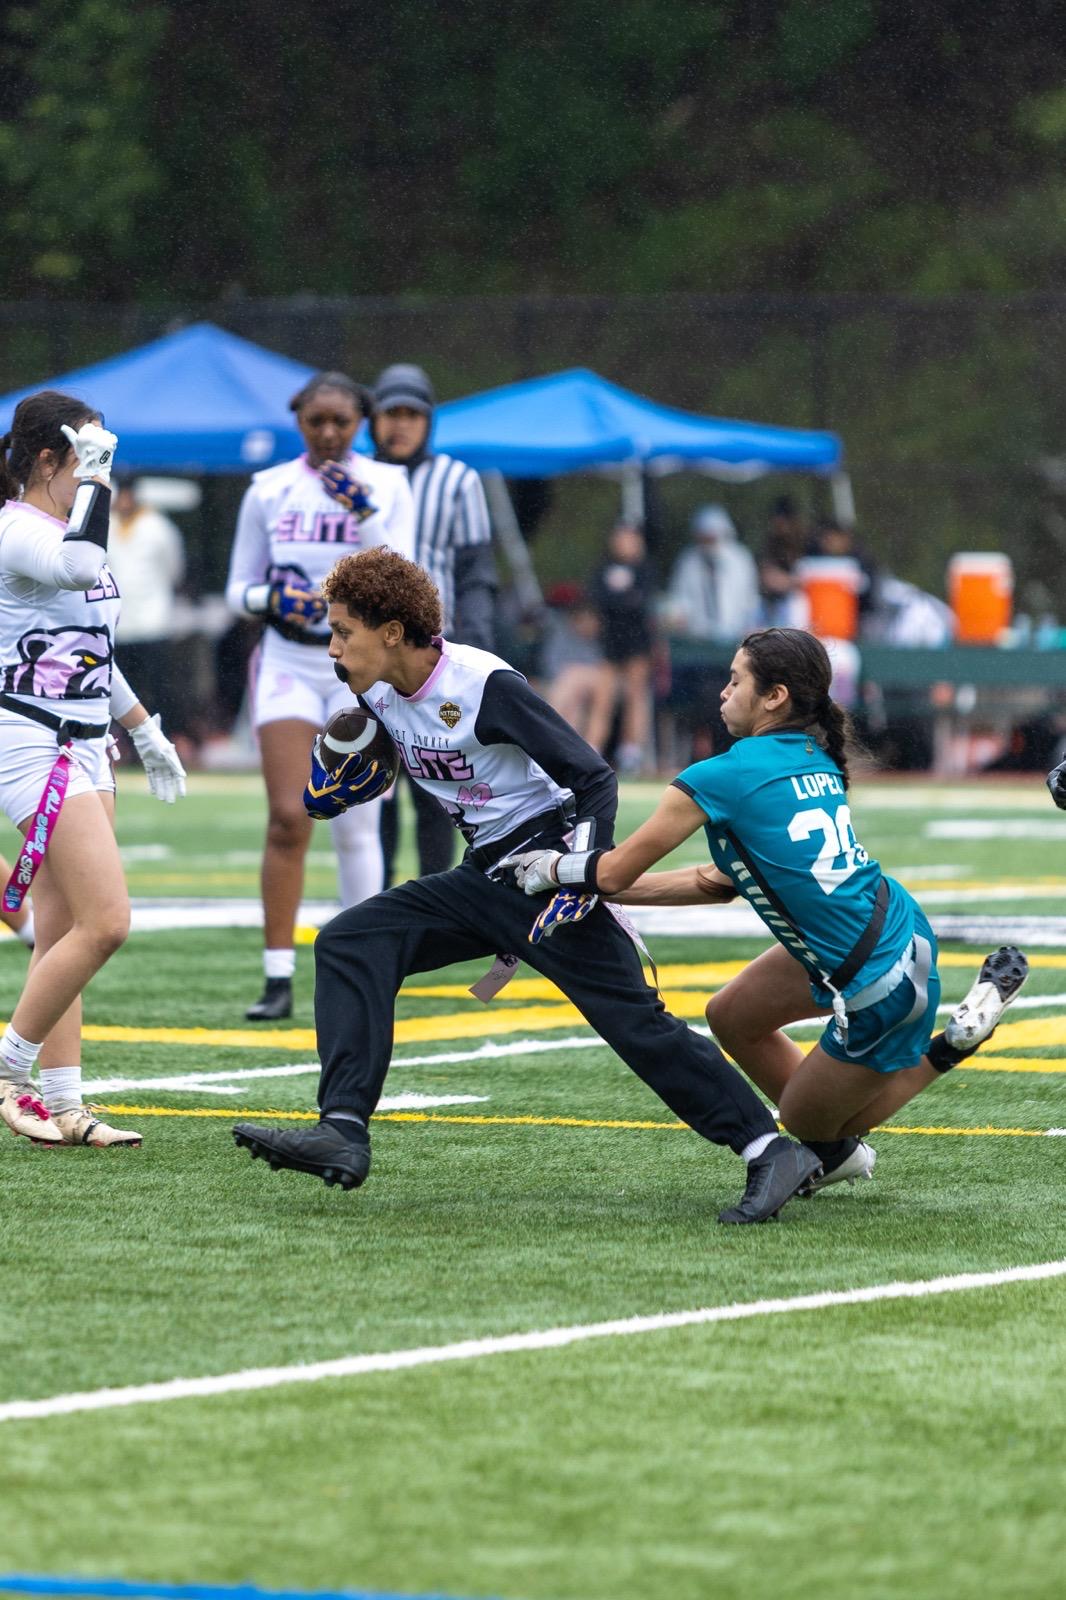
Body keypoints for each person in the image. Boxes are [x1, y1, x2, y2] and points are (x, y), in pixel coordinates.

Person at [232, 549, 823, 1225]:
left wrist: (580, 873)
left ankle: (769, 1147)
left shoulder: (482, 683)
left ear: (392, 632)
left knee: (635, 1023)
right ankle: (342, 1128)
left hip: (545, 867)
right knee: (350, 942)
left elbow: (591, 777)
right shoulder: (377, 694)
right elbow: (413, 748)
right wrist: (354, 772)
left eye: (344, 631)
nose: (333, 647)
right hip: (486, 872)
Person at [505, 626, 1029, 1179]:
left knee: (808, 1123)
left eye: (736, 682)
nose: (723, 692)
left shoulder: (720, 776)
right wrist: (596, 887)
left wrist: (551, 869)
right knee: (730, 1015)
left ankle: (950, 1047)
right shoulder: (813, 754)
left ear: (775, 696)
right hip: (891, 929)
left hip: (873, 976)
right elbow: (716, 881)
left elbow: (612, 869)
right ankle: (834, 1142)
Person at [0, 391, 187, 1147]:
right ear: (50, 459)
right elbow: (79, 567)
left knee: (62, 930)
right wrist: (99, 480)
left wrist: (145, 732)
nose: (100, 472)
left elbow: (93, 652)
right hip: (32, 739)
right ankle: (7, 1071)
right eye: (87, 457)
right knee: (107, 923)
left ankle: (64, 1103)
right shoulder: (18, 528)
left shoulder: (74, 526)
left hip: (87, 741)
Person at [225, 370, 415, 1020]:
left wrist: (361, 509)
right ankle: (277, 975)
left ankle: (360, 968)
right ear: (299, 420)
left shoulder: (387, 483)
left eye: (342, 421)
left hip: (359, 668)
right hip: (288, 658)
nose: (329, 433)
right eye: (317, 421)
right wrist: (271, 598)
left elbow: (402, 571)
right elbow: (238, 588)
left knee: (356, 821)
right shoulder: (269, 488)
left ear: (361, 422)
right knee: (289, 814)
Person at [370, 362, 496, 882]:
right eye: (391, 413)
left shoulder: (457, 480)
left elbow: (476, 573)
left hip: (434, 654)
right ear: (373, 419)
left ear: (429, 420)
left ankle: (432, 894)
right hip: (372, 653)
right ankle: (376, 894)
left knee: (435, 780)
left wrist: (477, 646)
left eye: (412, 414)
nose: (400, 424)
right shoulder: (358, 479)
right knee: (373, 780)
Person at [664, 505, 760, 762]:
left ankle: (728, 748)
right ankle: (707, 749)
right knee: (706, 695)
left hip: (733, 646)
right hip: (698, 650)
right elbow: (679, 602)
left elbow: (749, 603)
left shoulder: (740, 560)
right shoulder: (688, 562)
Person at [107, 474, 186, 739]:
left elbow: (174, 570)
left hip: (153, 621)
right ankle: (125, 744)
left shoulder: (159, 527)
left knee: (158, 686)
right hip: (119, 624)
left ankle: (162, 738)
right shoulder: (106, 525)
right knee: (121, 690)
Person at [587, 520, 657, 772]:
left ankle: (631, 752)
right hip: (610, 643)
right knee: (603, 697)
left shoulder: (645, 570)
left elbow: (641, 602)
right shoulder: (603, 569)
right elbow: (597, 600)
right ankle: (592, 749)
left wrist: (620, 601)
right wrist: (621, 601)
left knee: (635, 696)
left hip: (637, 642)